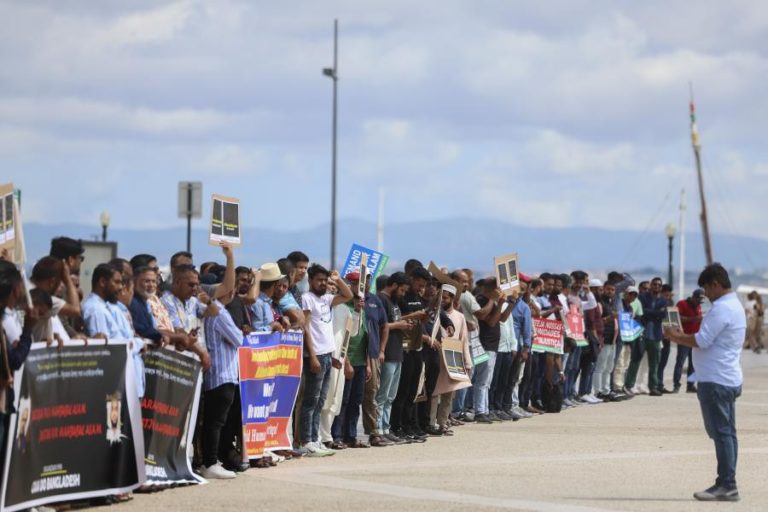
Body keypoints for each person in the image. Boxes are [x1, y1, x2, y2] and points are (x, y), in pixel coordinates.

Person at [664, 264, 745, 502]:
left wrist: (676, 336)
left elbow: (702, 340)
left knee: (721, 434)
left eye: (707, 289)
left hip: (716, 380)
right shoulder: (734, 305)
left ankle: (727, 484)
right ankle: (726, 482)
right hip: (725, 376)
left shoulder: (722, 308)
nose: (706, 294)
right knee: (726, 433)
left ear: (716, 284)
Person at [299, 264, 353, 456]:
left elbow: (348, 296)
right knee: (311, 401)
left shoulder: (327, 299)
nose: (322, 283)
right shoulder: (307, 298)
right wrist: (313, 356)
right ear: (310, 280)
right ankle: (306, 441)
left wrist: (337, 280)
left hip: (328, 356)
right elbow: (306, 328)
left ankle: (316, 439)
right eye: (319, 280)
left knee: (321, 400)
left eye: (325, 280)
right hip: (315, 356)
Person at [372, 272, 411, 447]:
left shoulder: (394, 302)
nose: (403, 294)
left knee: (390, 397)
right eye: (402, 290)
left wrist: (404, 323)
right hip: (386, 354)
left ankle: (386, 429)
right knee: (382, 396)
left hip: (397, 353)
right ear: (394, 285)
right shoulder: (381, 299)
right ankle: (377, 431)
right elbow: (381, 325)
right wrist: (399, 325)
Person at [675, 289, 704, 393]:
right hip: (684, 337)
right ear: (693, 297)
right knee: (680, 362)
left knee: (693, 363)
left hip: (695, 338)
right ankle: (676, 385)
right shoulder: (682, 304)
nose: (699, 303)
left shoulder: (699, 306)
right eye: (698, 300)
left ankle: (690, 385)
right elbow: (676, 318)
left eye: (700, 301)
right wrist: (693, 319)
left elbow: (698, 320)